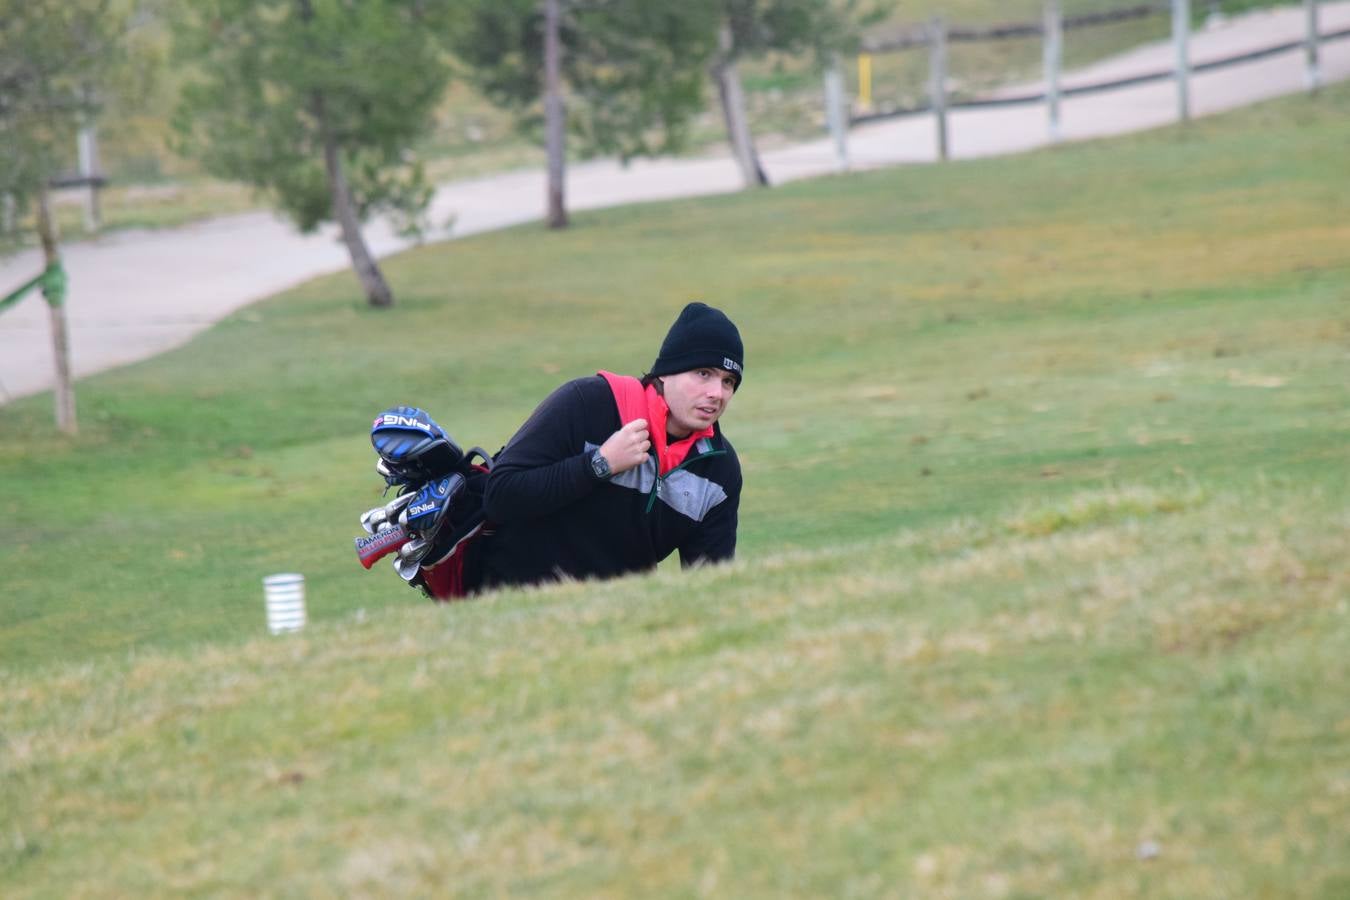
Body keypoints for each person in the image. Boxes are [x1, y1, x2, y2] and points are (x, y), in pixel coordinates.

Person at [469, 301, 745, 591]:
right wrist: (599, 464)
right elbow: (501, 496)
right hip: (517, 601)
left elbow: (710, 587)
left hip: (616, 619)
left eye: (728, 381)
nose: (717, 393)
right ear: (665, 371)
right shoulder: (588, 403)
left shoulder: (719, 470)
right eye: (703, 373)